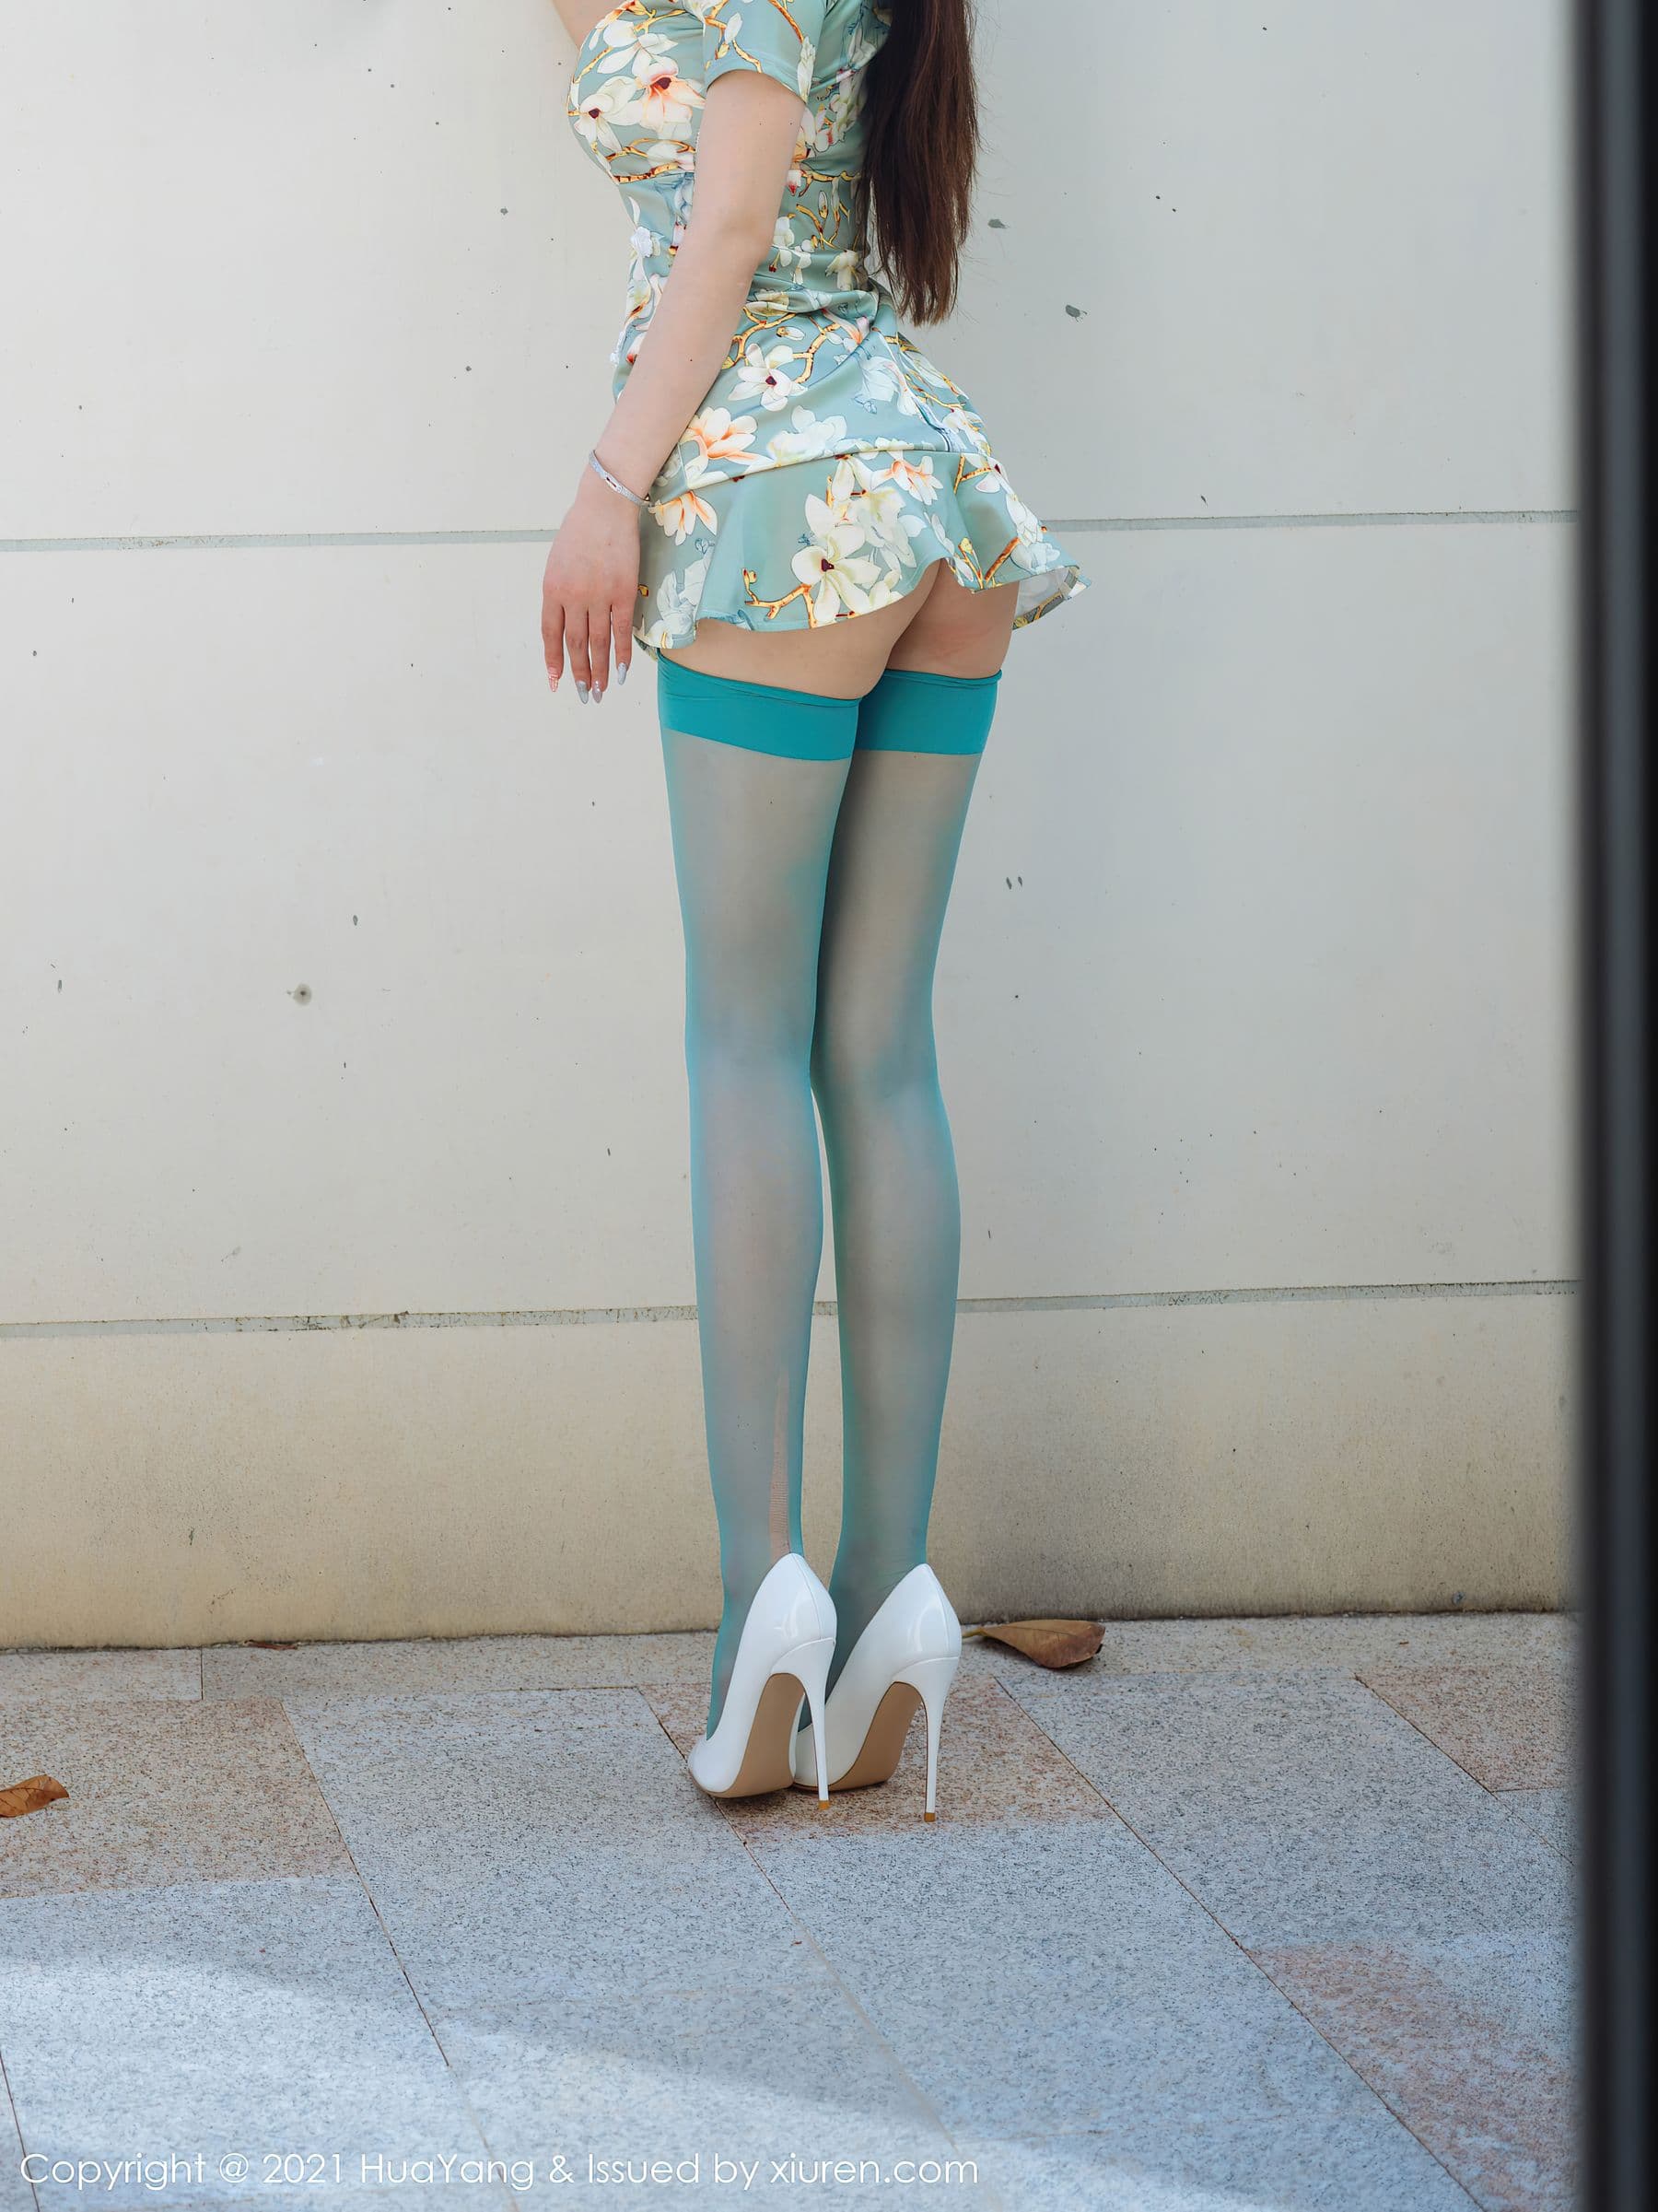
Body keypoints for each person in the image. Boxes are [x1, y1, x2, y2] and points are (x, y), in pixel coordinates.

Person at [543, 0, 1087, 1817]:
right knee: (877, 1052)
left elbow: (728, 220)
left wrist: (608, 488)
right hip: (917, 488)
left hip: (782, 502)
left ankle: (755, 1605)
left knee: (745, 1045)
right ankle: (887, 1592)